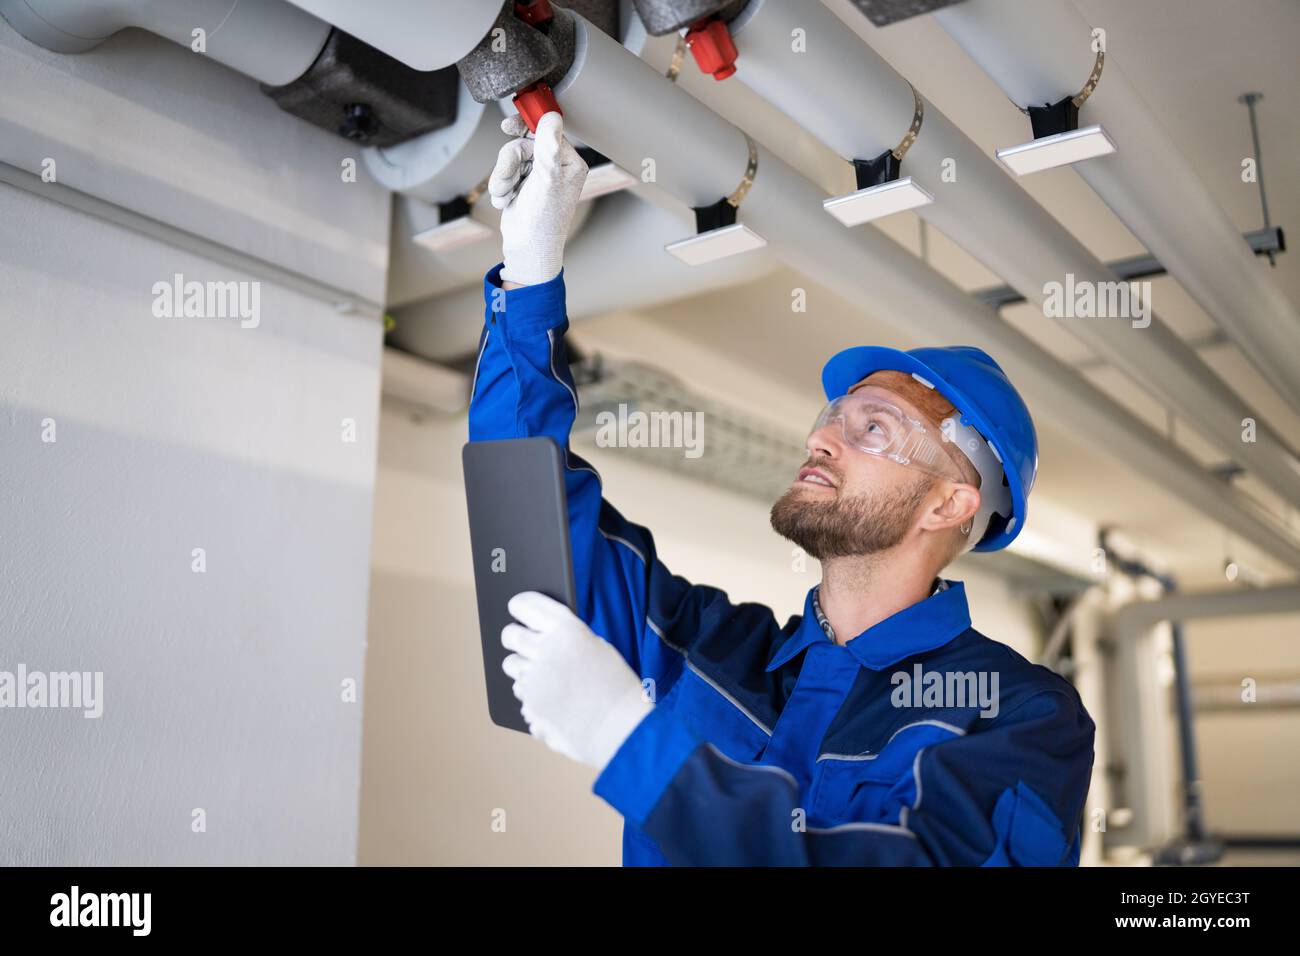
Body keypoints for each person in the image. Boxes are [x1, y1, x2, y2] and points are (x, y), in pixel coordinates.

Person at [470, 111, 1095, 866]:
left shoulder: (1017, 715)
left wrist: (629, 745)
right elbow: (526, 533)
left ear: (950, 503)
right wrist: (530, 275)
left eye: (875, 428)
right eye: (833, 416)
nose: (821, 438)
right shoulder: (707, 648)